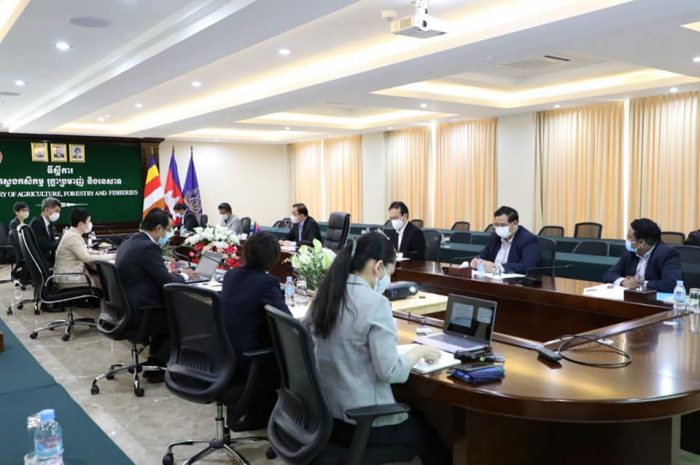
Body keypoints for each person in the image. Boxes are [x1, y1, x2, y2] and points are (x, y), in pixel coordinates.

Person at [307, 233, 451, 464]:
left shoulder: (324, 295)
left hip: (327, 420)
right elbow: (390, 372)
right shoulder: (375, 303)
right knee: (429, 432)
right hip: (362, 424)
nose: (387, 280)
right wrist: (420, 351)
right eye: (390, 273)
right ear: (378, 266)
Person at [220, 232, 290, 427]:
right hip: (249, 362)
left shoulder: (231, 275)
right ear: (273, 258)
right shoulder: (266, 282)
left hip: (225, 356)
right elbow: (287, 322)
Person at [116, 208, 192, 371]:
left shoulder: (130, 241)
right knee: (182, 317)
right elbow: (167, 282)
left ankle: (155, 362)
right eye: (169, 229)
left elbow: (151, 273)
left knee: (168, 310)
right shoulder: (148, 247)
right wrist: (185, 276)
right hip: (140, 311)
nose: (169, 234)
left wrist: (170, 274)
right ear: (159, 228)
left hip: (125, 307)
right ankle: (159, 363)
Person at [603, 218, 682, 292]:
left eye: (629, 237)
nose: (627, 240)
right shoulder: (628, 252)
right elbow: (609, 275)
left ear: (641, 243)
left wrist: (640, 284)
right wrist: (623, 281)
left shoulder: (666, 253)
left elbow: (672, 283)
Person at [470, 206, 541, 274]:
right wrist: (477, 260)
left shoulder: (527, 239)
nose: (499, 228)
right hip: (492, 277)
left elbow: (527, 266)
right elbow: (483, 255)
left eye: (503, 225)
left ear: (515, 223)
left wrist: (499, 267)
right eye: (497, 225)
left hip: (514, 280)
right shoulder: (495, 236)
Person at [54, 208, 113, 289]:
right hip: (69, 280)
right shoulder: (72, 237)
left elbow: (83, 251)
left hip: (71, 277)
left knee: (103, 281)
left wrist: (97, 253)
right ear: (81, 224)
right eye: (89, 221)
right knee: (105, 284)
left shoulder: (72, 234)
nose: (90, 224)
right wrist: (112, 256)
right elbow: (86, 258)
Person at [29, 197, 62, 266]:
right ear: (46, 210)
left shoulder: (49, 223)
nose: (58, 214)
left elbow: (52, 241)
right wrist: (61, 244)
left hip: (49, 259)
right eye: (56, 211)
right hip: (40, 261)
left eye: (59, 212)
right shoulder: (36, 222)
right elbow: (42, 244)